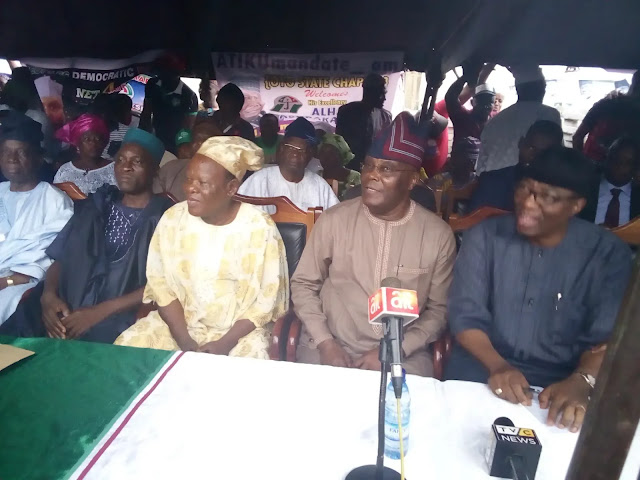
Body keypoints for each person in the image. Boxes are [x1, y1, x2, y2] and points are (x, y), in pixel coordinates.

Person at [445, 146, 632, 432]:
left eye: (547, 197)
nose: (528, 203)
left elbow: (606, 341)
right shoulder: (485, 236)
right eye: (525, 189)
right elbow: (465, 316)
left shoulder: (607, 255)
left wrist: (582, 380)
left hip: (563, 381)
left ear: (576, 206)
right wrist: (498, 366)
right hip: (481, 367)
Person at [291, 112, 456, 376]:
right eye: (368, 166)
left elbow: (439, 310)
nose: (371, 176)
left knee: (408, 401)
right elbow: (303, 285)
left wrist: (395, 350)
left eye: (386, 169)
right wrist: (324, 341)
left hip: (403, 355)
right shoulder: (334, 220)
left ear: (413, 179)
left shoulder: (438, 236)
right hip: (331, 346)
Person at [115, 136, 289, 358]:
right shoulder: (173, 219)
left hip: (237, 334)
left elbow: (266, 301)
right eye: (189, 179)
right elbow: (161, 285)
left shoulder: (258, 227)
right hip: (179, 327)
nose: (190, 189)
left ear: (231, 188)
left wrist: (224, 343)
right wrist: (185, 341)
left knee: (247, 367)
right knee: (126, 350)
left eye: (202, 183)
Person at [1, 128, 172, 342]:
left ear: (155, 169)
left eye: (137, 161)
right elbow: (62, 258)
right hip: (65, 304)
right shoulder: (97, 204)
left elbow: (165, 282)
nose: (126, 167)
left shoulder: (166, 216)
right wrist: (48, 296)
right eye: (120, 160)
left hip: (118, 313)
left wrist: (98, 313)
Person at [0, 111, 74, 325]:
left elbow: (55, 257)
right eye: (6, 152)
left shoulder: (54, 200)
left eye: (21, 152)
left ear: (38, 158)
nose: (12, 158)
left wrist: (8, 280)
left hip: (24, 285)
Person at [238, 117, 339, 213]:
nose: (295, 154)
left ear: (310, 155)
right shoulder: (259, 180)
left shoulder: (320, 186)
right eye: (290, 147)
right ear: (281, 149)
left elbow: (334, 218)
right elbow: (240, 216)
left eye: (302, 150)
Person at [476, 65, 562, 174]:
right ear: (540, 88)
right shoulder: (550, 114)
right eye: (544, 86)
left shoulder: (495, 121)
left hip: (491, 181)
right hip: (531, 181)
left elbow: (481, 165)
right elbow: (558, 156)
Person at [470, 120, 564, 212]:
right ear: (521, 143)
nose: (534, 156)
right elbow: (473, 220)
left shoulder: (562, 193)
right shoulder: (492, 182)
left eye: (544, 153)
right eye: (531, 148)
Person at [573, 70, 640, 163]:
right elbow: (578, 137)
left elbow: (578, 137)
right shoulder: (607, 105)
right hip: (594, 165)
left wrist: (580, 164)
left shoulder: (607, 104)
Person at [139, 54, 198, 154]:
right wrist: (141, 138)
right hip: (155, 136)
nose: (165, 75)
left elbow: (188, 127)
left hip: (176, 141)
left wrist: (182, 148)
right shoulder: (152, 84)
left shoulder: (189, 96)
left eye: (171, 72)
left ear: (179, 73)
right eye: (163, 70)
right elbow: (146, 114)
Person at [154, 121, 222, 202]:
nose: (199, 144)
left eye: (206, 141)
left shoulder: (223, 176)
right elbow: (154, 200)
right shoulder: (171, 168)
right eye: (196, 140)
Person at [336, 73, 392, 171]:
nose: (384, 98)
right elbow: (339, 142)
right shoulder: (347, 112)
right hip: (350, 168)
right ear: (368, 93)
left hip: (375, 169)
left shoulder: (386, 116)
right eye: (381, 94)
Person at [580, 136, 640, 227]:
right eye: (616, 159)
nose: (620, 166)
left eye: (628, 162)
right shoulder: (585, 188)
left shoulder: (637, 196)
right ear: (607, 157)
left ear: (635, 167)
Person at [54, 114, 116, 195]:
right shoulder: (65, 171)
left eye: (98, 139)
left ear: (104, 143)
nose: (93, 143)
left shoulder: (115, 169)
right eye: (87, 139)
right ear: (78, 143)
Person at [445, 63, 495, 151]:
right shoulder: (462, 117)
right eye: (481, 102)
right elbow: (450, 98)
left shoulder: (496, 121)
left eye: (490, 102)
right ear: (472, 102)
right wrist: (465, 77)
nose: (486, 106)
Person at [318, 133, 360, 199]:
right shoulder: (317, 176)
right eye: (322, 153)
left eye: (331, 154)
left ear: (341, 155)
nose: (325, 157)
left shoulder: (355, 178)